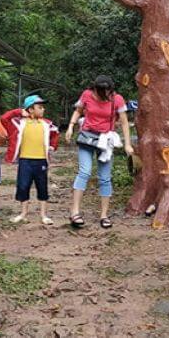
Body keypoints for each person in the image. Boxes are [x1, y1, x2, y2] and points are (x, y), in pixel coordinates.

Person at [65, 75, 133, 229]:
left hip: (105, 141)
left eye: (106, 92)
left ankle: (104, 215)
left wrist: (127, 144)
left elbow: (124, 123)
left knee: (105, 177)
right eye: (100, 92)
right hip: (87, 137)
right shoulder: (87, 95)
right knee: (84, 172)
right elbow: (78, 111)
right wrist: (71, 126)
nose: (103, 95)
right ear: (94, 88)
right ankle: (74, 212)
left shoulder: (117, 100)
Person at [0, 94, 60, 225]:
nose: (43, 109)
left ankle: (43, 215)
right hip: (25, 161)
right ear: (30, 109)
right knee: (23, 186)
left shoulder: (46, 124)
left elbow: (55, 133)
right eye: (40, 107)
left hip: (41, 161)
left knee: (42, 187)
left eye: (43, 107)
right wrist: (18, 111)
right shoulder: (18, 123)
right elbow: (4, 119)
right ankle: (23, 213)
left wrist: (52, 146)